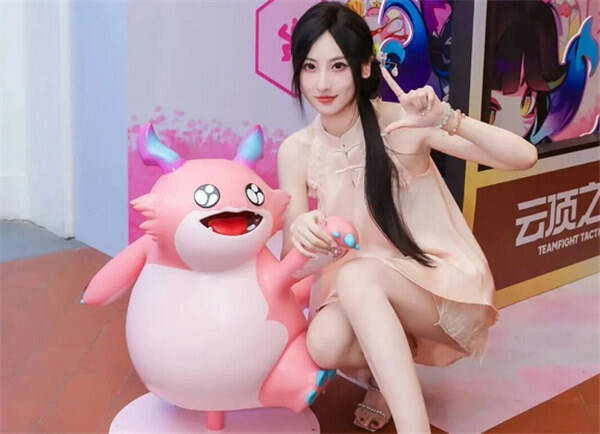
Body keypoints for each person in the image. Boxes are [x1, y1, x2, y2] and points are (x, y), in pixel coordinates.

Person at [276, 2, 537, 432]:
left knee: (357, 276)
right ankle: (385, 377)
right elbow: (294, 263)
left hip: (436, 284)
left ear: (364, 67)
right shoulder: (296, 150)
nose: (321, 83)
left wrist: (447, 119)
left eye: (338, 66)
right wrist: (302, 233)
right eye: (309, 67)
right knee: (322, 343)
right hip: (362, 293)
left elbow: (523, 157)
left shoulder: (401, 124)